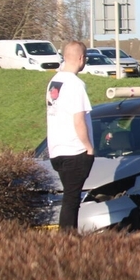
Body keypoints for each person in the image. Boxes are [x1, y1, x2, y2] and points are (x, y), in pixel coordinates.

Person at [46, 41, 94, 231]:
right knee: (72, 200)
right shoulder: (75, 84)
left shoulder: (54, 82)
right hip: (75, 150)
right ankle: (68, 240)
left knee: (69, 196)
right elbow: (79, 120)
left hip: (56, 150)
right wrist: (89, 147)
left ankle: (67, 237)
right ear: (81, 58)